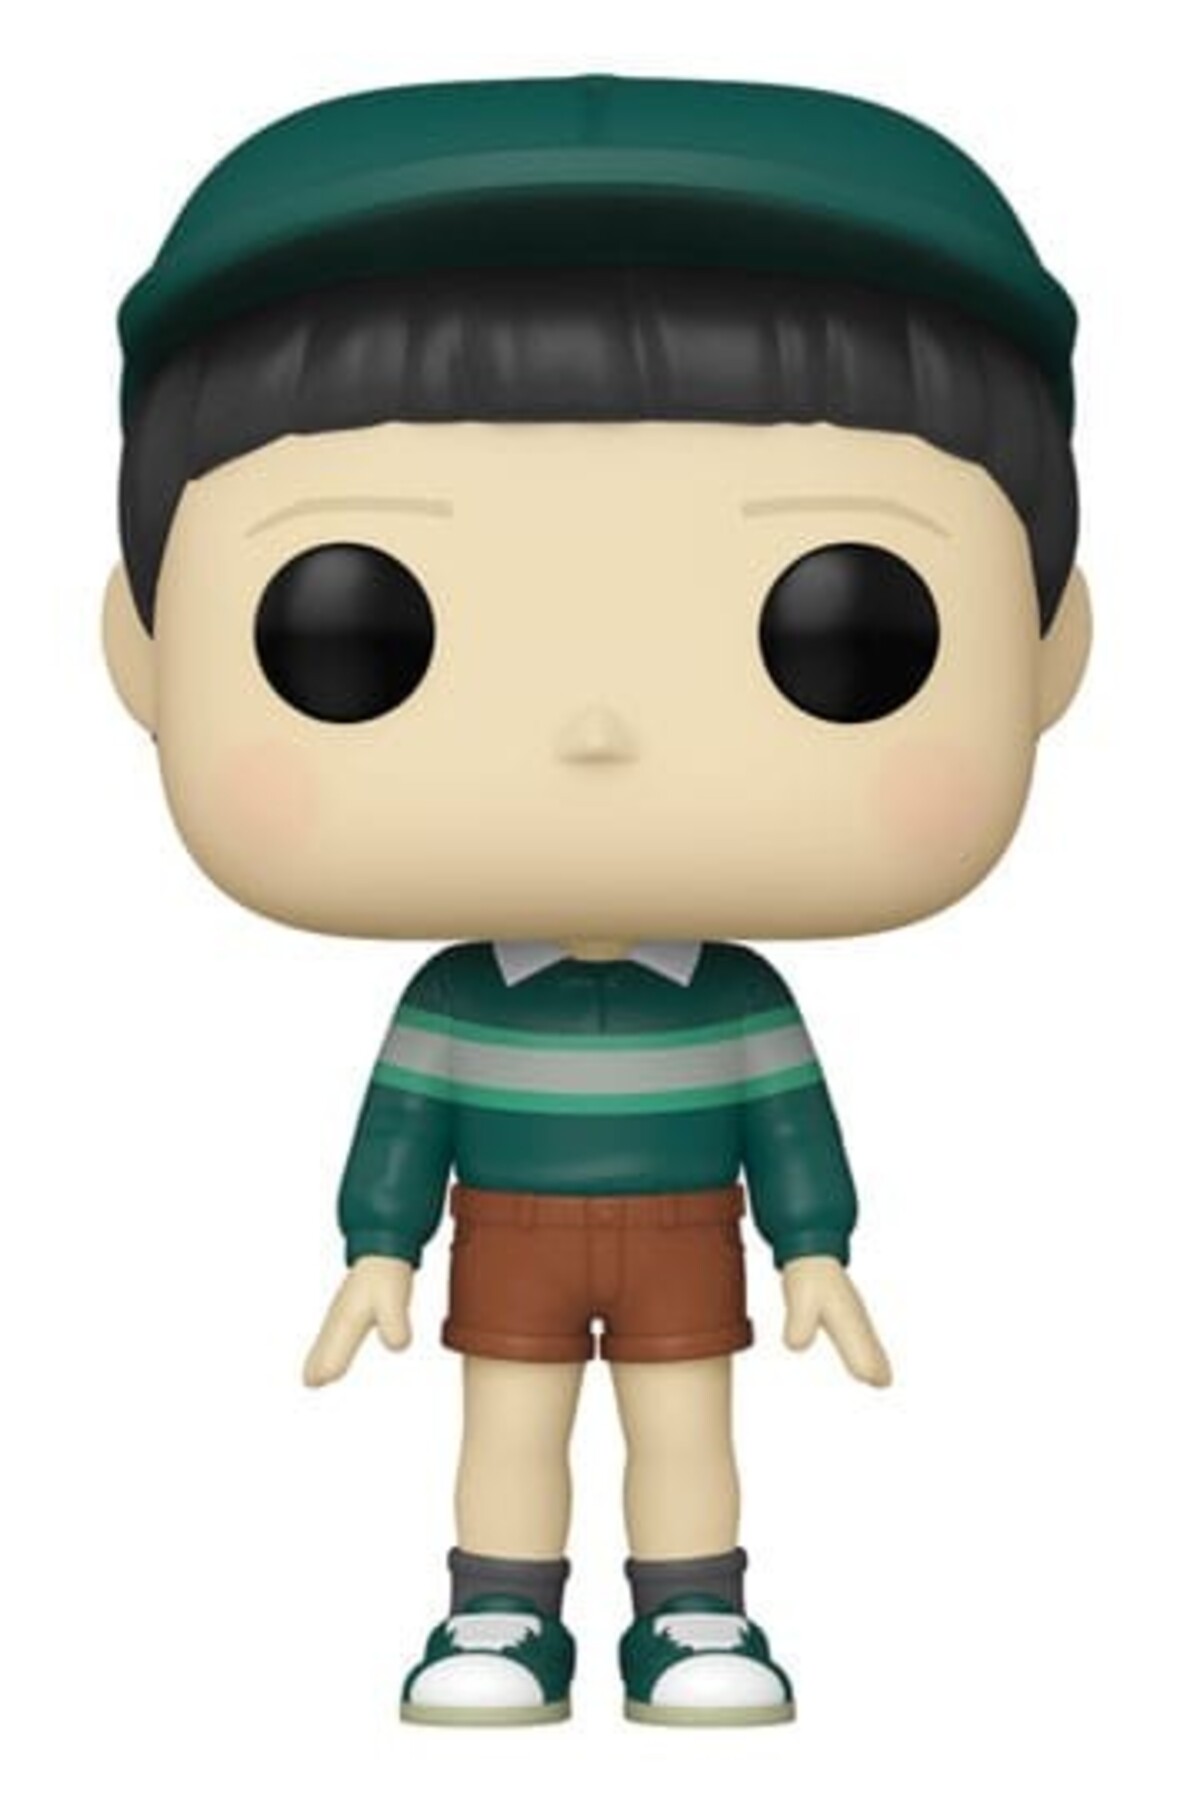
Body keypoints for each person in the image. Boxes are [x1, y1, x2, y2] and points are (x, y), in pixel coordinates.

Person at [103, 73, 1089, 1726]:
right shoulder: (455, 1003)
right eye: (353, 627)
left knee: (688, 1430)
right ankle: (499, 1617)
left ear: (1050, 655)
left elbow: (790, 1127)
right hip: (512, 1236)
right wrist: (375, 1250)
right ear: (143, 655)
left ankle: (694, 1617)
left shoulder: (740, 1003)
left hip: (689, 1237)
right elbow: (404, 1127)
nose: (594, 731)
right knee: (508, 1427)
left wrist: (819, 1250)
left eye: (846, 627)